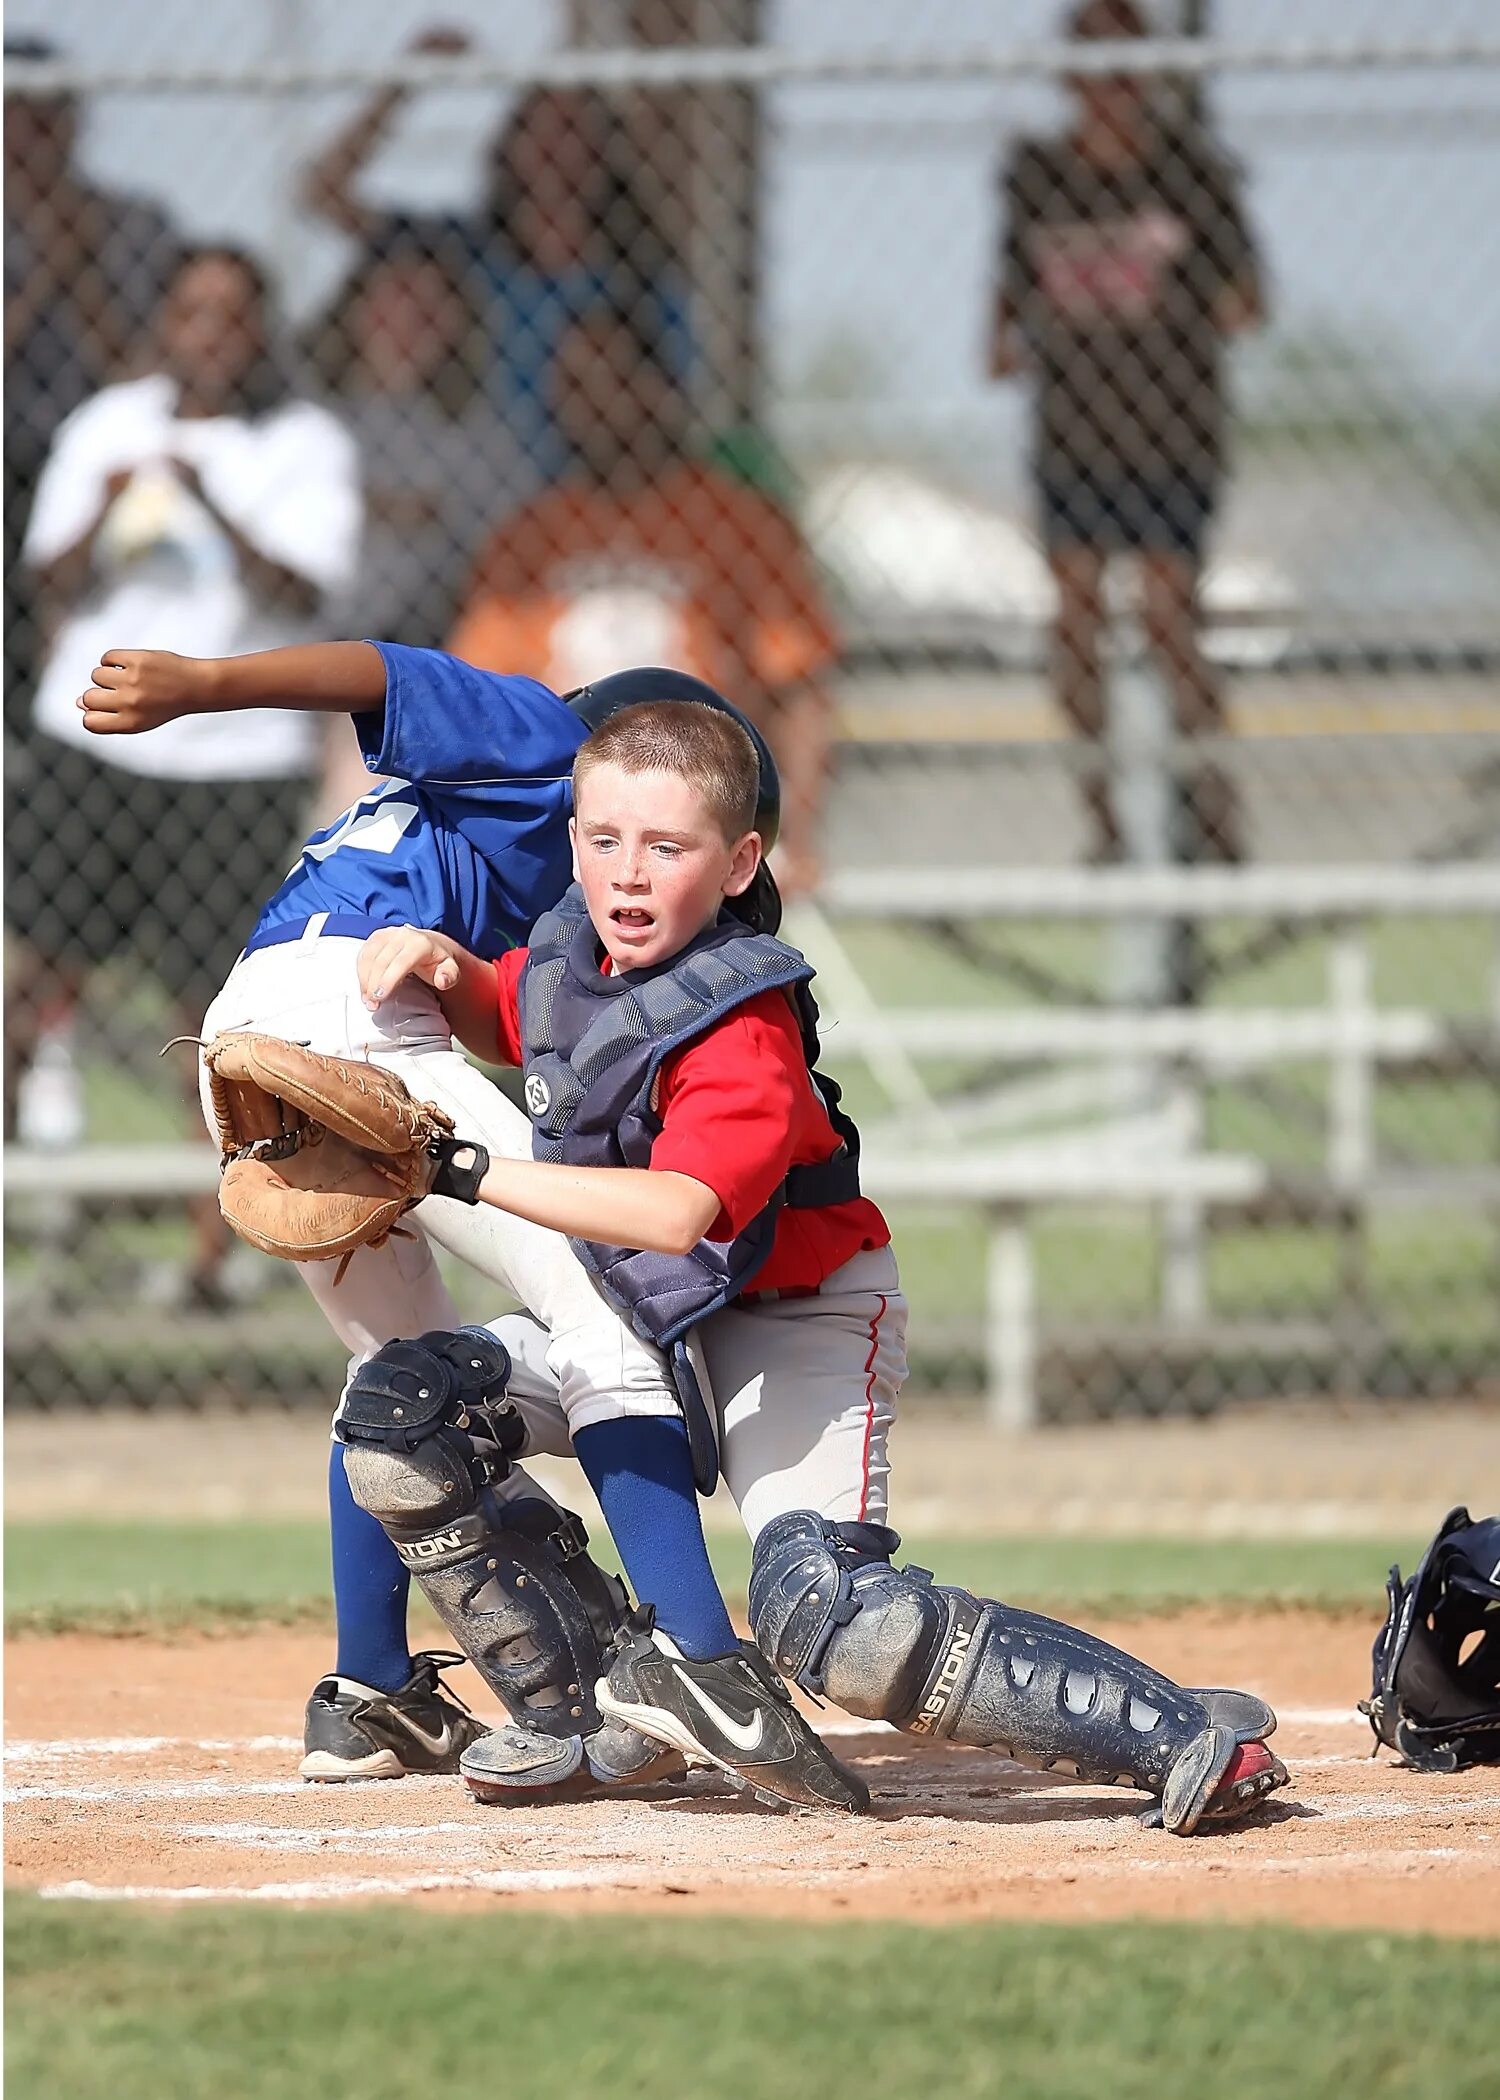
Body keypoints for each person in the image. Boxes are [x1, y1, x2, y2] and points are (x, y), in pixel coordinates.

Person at [341, 697, 1290, 1835]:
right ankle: (605, 1718)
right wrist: (446, 970)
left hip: (795, 1321)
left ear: (741, 863)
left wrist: (462, 1170)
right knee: (406, 1421)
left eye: (667, 847)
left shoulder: (744, 1022)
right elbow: (536, 1024)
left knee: (832, 1618)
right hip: (647, 1321)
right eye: (603, 841)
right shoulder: (567, 952)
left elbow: (678, 1212)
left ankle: (1180, 1737)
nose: (628, 877)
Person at [76, 640, 863, 1814]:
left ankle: (368, 1694)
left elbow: (523, 1018)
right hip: (354, 1016)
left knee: (400, 1382)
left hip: (250, 1025)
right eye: (620, 817)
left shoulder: (504, 847)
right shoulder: (552, 742)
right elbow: (380, 673)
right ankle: (703, 1661)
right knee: (604, 1315)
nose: (627, 848)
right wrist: (201, 689)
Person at [7, 246, 361, 1306]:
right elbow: (43, 581)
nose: (208, 332)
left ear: (260, 332)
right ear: (162, 322)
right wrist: (108, 509)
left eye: (230, 314)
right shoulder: (110, 424)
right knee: (28, 982)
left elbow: (307, 593)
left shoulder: (303, 444)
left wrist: (212, 501)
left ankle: (216, 1260)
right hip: (98, 743)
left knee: (207, 1020)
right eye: (190, 310)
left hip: (232, 760)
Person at [991, 0, 1265, 862]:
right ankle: (1103, 817)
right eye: (1092, 62)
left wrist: (1160, 307)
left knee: (1167, 611)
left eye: (1122, 62)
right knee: (1072, 616)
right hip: (1077, 434)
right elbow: (1005, 321)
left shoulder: (1190, 173)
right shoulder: (1041, 177)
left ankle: (1213, 800)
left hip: (1170, 432)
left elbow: (1244, 301)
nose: (1107, 85)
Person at [449, 300, 838, 896]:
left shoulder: (738, 520)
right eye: (575, 385)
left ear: (662, 390)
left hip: (703, 800)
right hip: (566, 805)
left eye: (615, 380)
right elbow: (480, 704)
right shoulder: (529, 533)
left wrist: (801, 837)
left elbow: (802, 687)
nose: (594, 403)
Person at [301, 27, 685, 480]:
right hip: (476, 479)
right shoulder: (464, 252)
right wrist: (403, 87)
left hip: (596, 484)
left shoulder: (635, 277)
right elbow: (321, 194)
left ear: (603, 153)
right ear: (509, 147)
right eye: (538, 132)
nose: (555, 152)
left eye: (573, 133)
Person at [4, 33, 180, 708]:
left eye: (48, 118)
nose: (31, 139)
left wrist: (80, 267)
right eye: (15, 119)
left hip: (108, 451)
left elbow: (146, 380)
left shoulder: (135, 225)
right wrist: (44, 268)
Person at [304, 214, 534, 654]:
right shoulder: (311, 412)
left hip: (431, 639)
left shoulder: (482, 431)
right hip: (315, 632)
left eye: (434, 303)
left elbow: (505, 546)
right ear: (357, 305)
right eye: (398, 294)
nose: (413, 317)